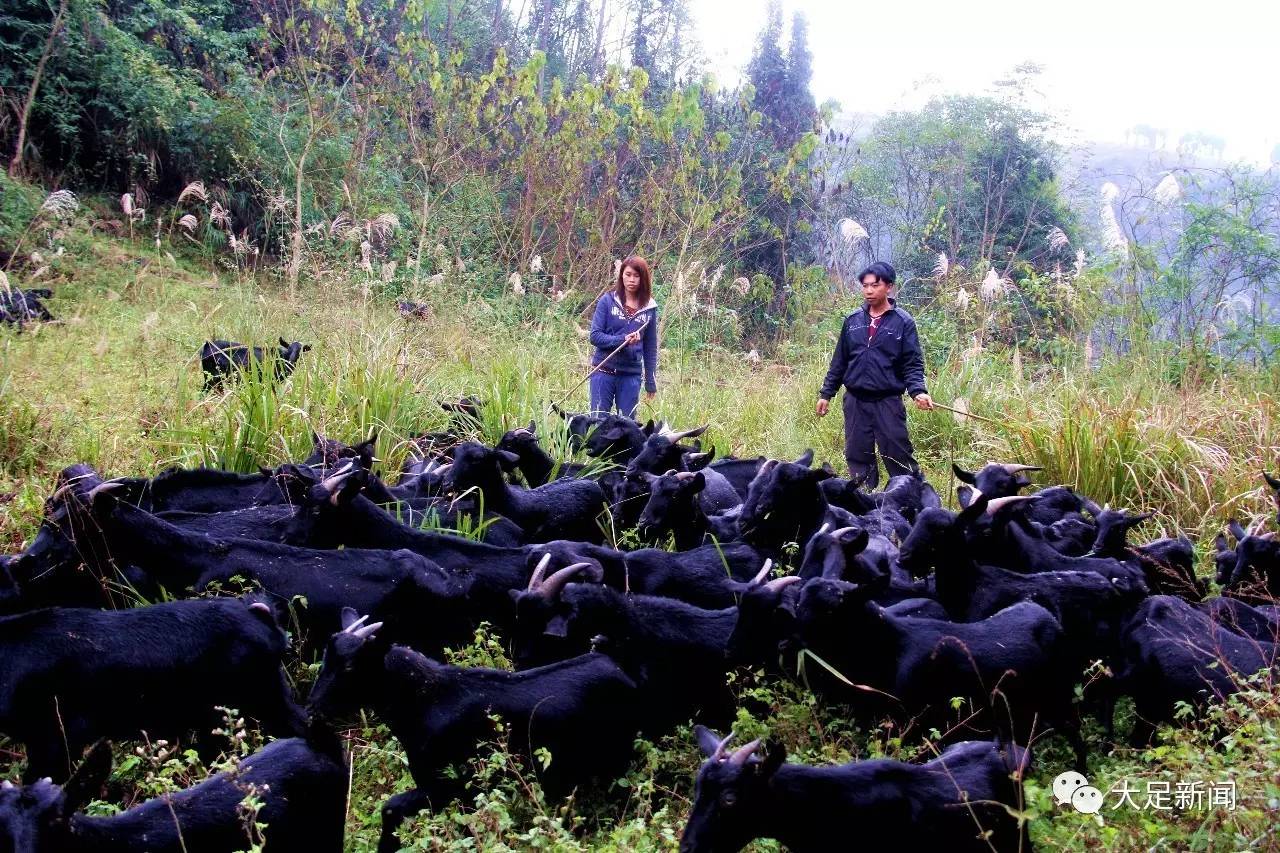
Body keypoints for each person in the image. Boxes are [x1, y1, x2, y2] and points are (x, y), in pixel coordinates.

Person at [816, 261, 933, 489]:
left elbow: (912, 363)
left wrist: (918, 391)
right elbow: (839, 362)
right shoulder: (852, 321)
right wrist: (826, 393)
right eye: (865, 286)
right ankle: (865, 500)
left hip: (887, 401)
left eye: (875, 285)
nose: (869, 291)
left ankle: (911, 497)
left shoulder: (903, 322)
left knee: (897, 453)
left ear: (888, 287)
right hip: (856, 400)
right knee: (857, 454)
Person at [588, 256, 659, 418]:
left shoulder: (649, 308)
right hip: (603, 371)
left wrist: (650, 381)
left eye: (636, 275)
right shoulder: (607, 301)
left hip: (630, 376)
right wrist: (622, 340)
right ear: (621, 276)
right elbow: (595, 336)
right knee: (598, 425)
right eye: (627, 275)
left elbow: (650, 347)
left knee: (627, 429)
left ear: (643, 278)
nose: (631, 280)